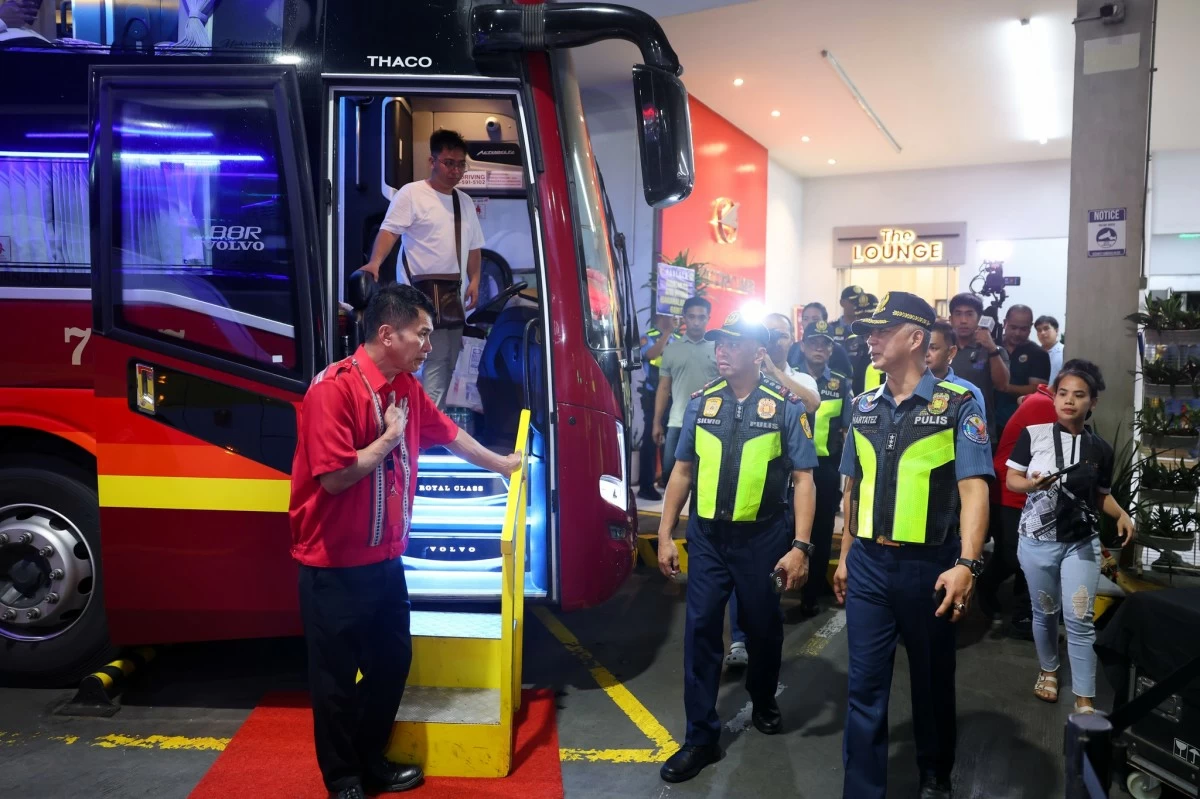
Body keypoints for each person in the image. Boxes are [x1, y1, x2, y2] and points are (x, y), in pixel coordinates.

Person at [288, 284, 521, 799]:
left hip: (386, 561)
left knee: (392, 663)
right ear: (387, 334)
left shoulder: (405, 388)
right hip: (333, 565)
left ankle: (371, 760)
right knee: (334, 681)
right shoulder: (333, 390)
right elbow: (335, 478)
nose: (429, 346)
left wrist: (503, 464)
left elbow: (450, 435)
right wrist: (390, 439)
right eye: (422, 334)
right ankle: (343, 779)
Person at [833, 291, 993, 799]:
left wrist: (967, 562)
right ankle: (862, 790)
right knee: (863, 686)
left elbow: (974, 490)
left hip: (929, 567)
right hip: (868, 565)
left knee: (930, 679)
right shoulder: (861, 407)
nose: (871, 339)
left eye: (881, 331)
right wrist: (845, 557)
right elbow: (853, 489)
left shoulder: (957, 406)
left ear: (916, 337)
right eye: (868, 332)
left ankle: (934, 774)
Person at [656, 311, 818, 784]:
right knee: (701, 630)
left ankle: (762, 697)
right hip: (707, 538)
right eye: (719, 343)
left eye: (732, 343)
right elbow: (682, 471)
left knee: (763, 626)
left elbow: (804, 479)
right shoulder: (702, 402)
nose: (722, 351)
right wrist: (665, 533)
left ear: (758, 352)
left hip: (763, 539)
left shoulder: (785, 407)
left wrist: (801, 546)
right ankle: (700, 738)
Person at [1005, 362, 1136, 715]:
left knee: (1079, 618)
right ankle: (1049, 670)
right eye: (1062, 393)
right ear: (1054, 397)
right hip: (1036, 541)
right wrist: (1031, 484)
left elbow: (1101, 495)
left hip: (1081, 542)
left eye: (1079, 395)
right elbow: (1012, 480)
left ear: (1093, 402)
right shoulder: (1033, 435)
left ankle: (1084, 697)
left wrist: (1122, 514)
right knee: (1045, 612)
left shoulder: (1101, 449)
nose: (1069, 401)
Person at [362, 129, 486, 410]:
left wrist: (475, 280)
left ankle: (424, 421)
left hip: (452, 299)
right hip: (418, 298)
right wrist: (375, 262)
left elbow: (474, 246)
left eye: (461, 164)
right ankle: (423, 425)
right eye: (449, 163)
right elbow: (389, 231)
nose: (456, 171)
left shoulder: (464, 201)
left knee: (448, 361)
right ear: (432, 161)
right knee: (433, 364)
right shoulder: (412, 193)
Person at [796, 319, 852, 619]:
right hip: (791, 469)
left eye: (825, 344)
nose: (819, 348)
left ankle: (811, 594)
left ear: (831, 350)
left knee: (820, 531)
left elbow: (847, 430)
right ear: (803, 346)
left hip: (826, 470)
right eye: (814, 342)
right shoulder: (790, 378)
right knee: (786, 529)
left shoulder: (841, 384)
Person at [653, 296, 718, 485]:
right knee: (669, 474)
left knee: (704, 479)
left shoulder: (718, 349)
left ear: (708, 318)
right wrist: (657, 422)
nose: (696, 322)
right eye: (691, 316)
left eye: (701, 317)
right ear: (684, 318)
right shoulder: (672, 350)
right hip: (677, 421)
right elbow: (664, 388)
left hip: (711, 422)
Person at [948, 293, 1009, 443]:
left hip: (979, 428)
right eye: (958, 314)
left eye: (969, 314)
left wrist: (991, 348)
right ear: (951, 319)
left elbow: (1002, 385)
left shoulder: (994, 351)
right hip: (944, 426)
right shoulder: (941, 349)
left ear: (979, 318)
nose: (963, 320)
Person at [638, 313, 683, 499]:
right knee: (651, 440)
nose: (674, 318)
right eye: (669, 315)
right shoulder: (648, 336)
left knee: (672, 440)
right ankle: (646, 486)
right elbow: (650, 354)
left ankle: (667, 480)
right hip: (653, 395)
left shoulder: (680, 338)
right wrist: (666, 333)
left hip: (675, 396)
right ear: (659, 316)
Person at [994, 305, 1051, 434]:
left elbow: (1037, 389)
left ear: (1030, 327)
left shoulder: (1038, 354)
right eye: (1013, 327)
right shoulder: (992, 347)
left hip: (1019, 422)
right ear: (1005, 323)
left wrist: (1005, 387)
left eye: (1023, 329)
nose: (1017, 333)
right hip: (986, 419)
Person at [762, 312, 821, 412]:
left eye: (783, 336)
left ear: (792, 340)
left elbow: (812, 405)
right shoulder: (747, 376)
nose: (777, 342)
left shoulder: (803, 379)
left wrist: (775, 371)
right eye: (770, 335)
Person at [926, 320, 987, 414]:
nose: (926, 354)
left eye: (933, 348)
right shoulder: (905, 386)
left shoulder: (968, 391)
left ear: (951, 352)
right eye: (922, 347)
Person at [788, 301, 854, 377]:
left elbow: (846, 379)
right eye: (805, 319)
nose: (810, 323)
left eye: (815, 319)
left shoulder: (838, 351)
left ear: (824, 322)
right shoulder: (793, 349)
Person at [1035, 315, 1065, 384]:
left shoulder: (1064, 351)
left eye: (1046, 329)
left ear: (1056, 330)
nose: (1042, 333)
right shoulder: (1034, 354)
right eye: (1039, 330)